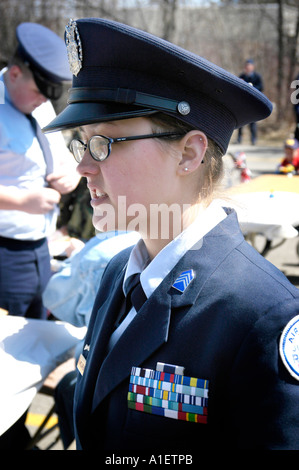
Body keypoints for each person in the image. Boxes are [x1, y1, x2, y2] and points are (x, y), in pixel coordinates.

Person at [44, 18, 299, 452]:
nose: (84, 166)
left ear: (189, 153)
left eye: (105, 142)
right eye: (81, 144)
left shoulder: (261, 314)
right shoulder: (119, 274)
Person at [0, 23, 80, 320]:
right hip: (6, 253)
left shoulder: (37, 102)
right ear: (15, 73)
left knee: (36, 334)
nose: (42, 101)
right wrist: (21, 202)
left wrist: (71, 174)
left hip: (42, 249)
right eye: (37, 92)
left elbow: (59, 154)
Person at [42, 230, 140, 448]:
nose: (91, 193)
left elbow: (59, 301)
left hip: (105, 385)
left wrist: (77, 260)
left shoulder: (102, 256)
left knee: (68, 389)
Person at [236, 59, 264, 145]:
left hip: (253, 102)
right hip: (243, 101)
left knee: (252, 122)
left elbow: (261, 87)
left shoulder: (257, 77)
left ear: (252, 67)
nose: (247, 68)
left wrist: (251, 86)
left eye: (249, 66)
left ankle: (253, 139)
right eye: (246, 66)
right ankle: (239, 139)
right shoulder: (242, 76)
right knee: (240, 121)